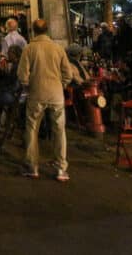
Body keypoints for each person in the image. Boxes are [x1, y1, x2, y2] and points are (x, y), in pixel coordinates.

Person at [18, 19, 78, 181]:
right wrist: (61, 85)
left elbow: (22, 75)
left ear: (33, 31)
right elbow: (68, 74)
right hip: (56, 94)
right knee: (59, 130)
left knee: (32, 130)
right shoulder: (58, 48)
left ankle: (32, 167)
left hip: (36, 94)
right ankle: (61, 168)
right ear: (47, 30)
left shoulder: (29, 49)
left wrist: (29, 86)